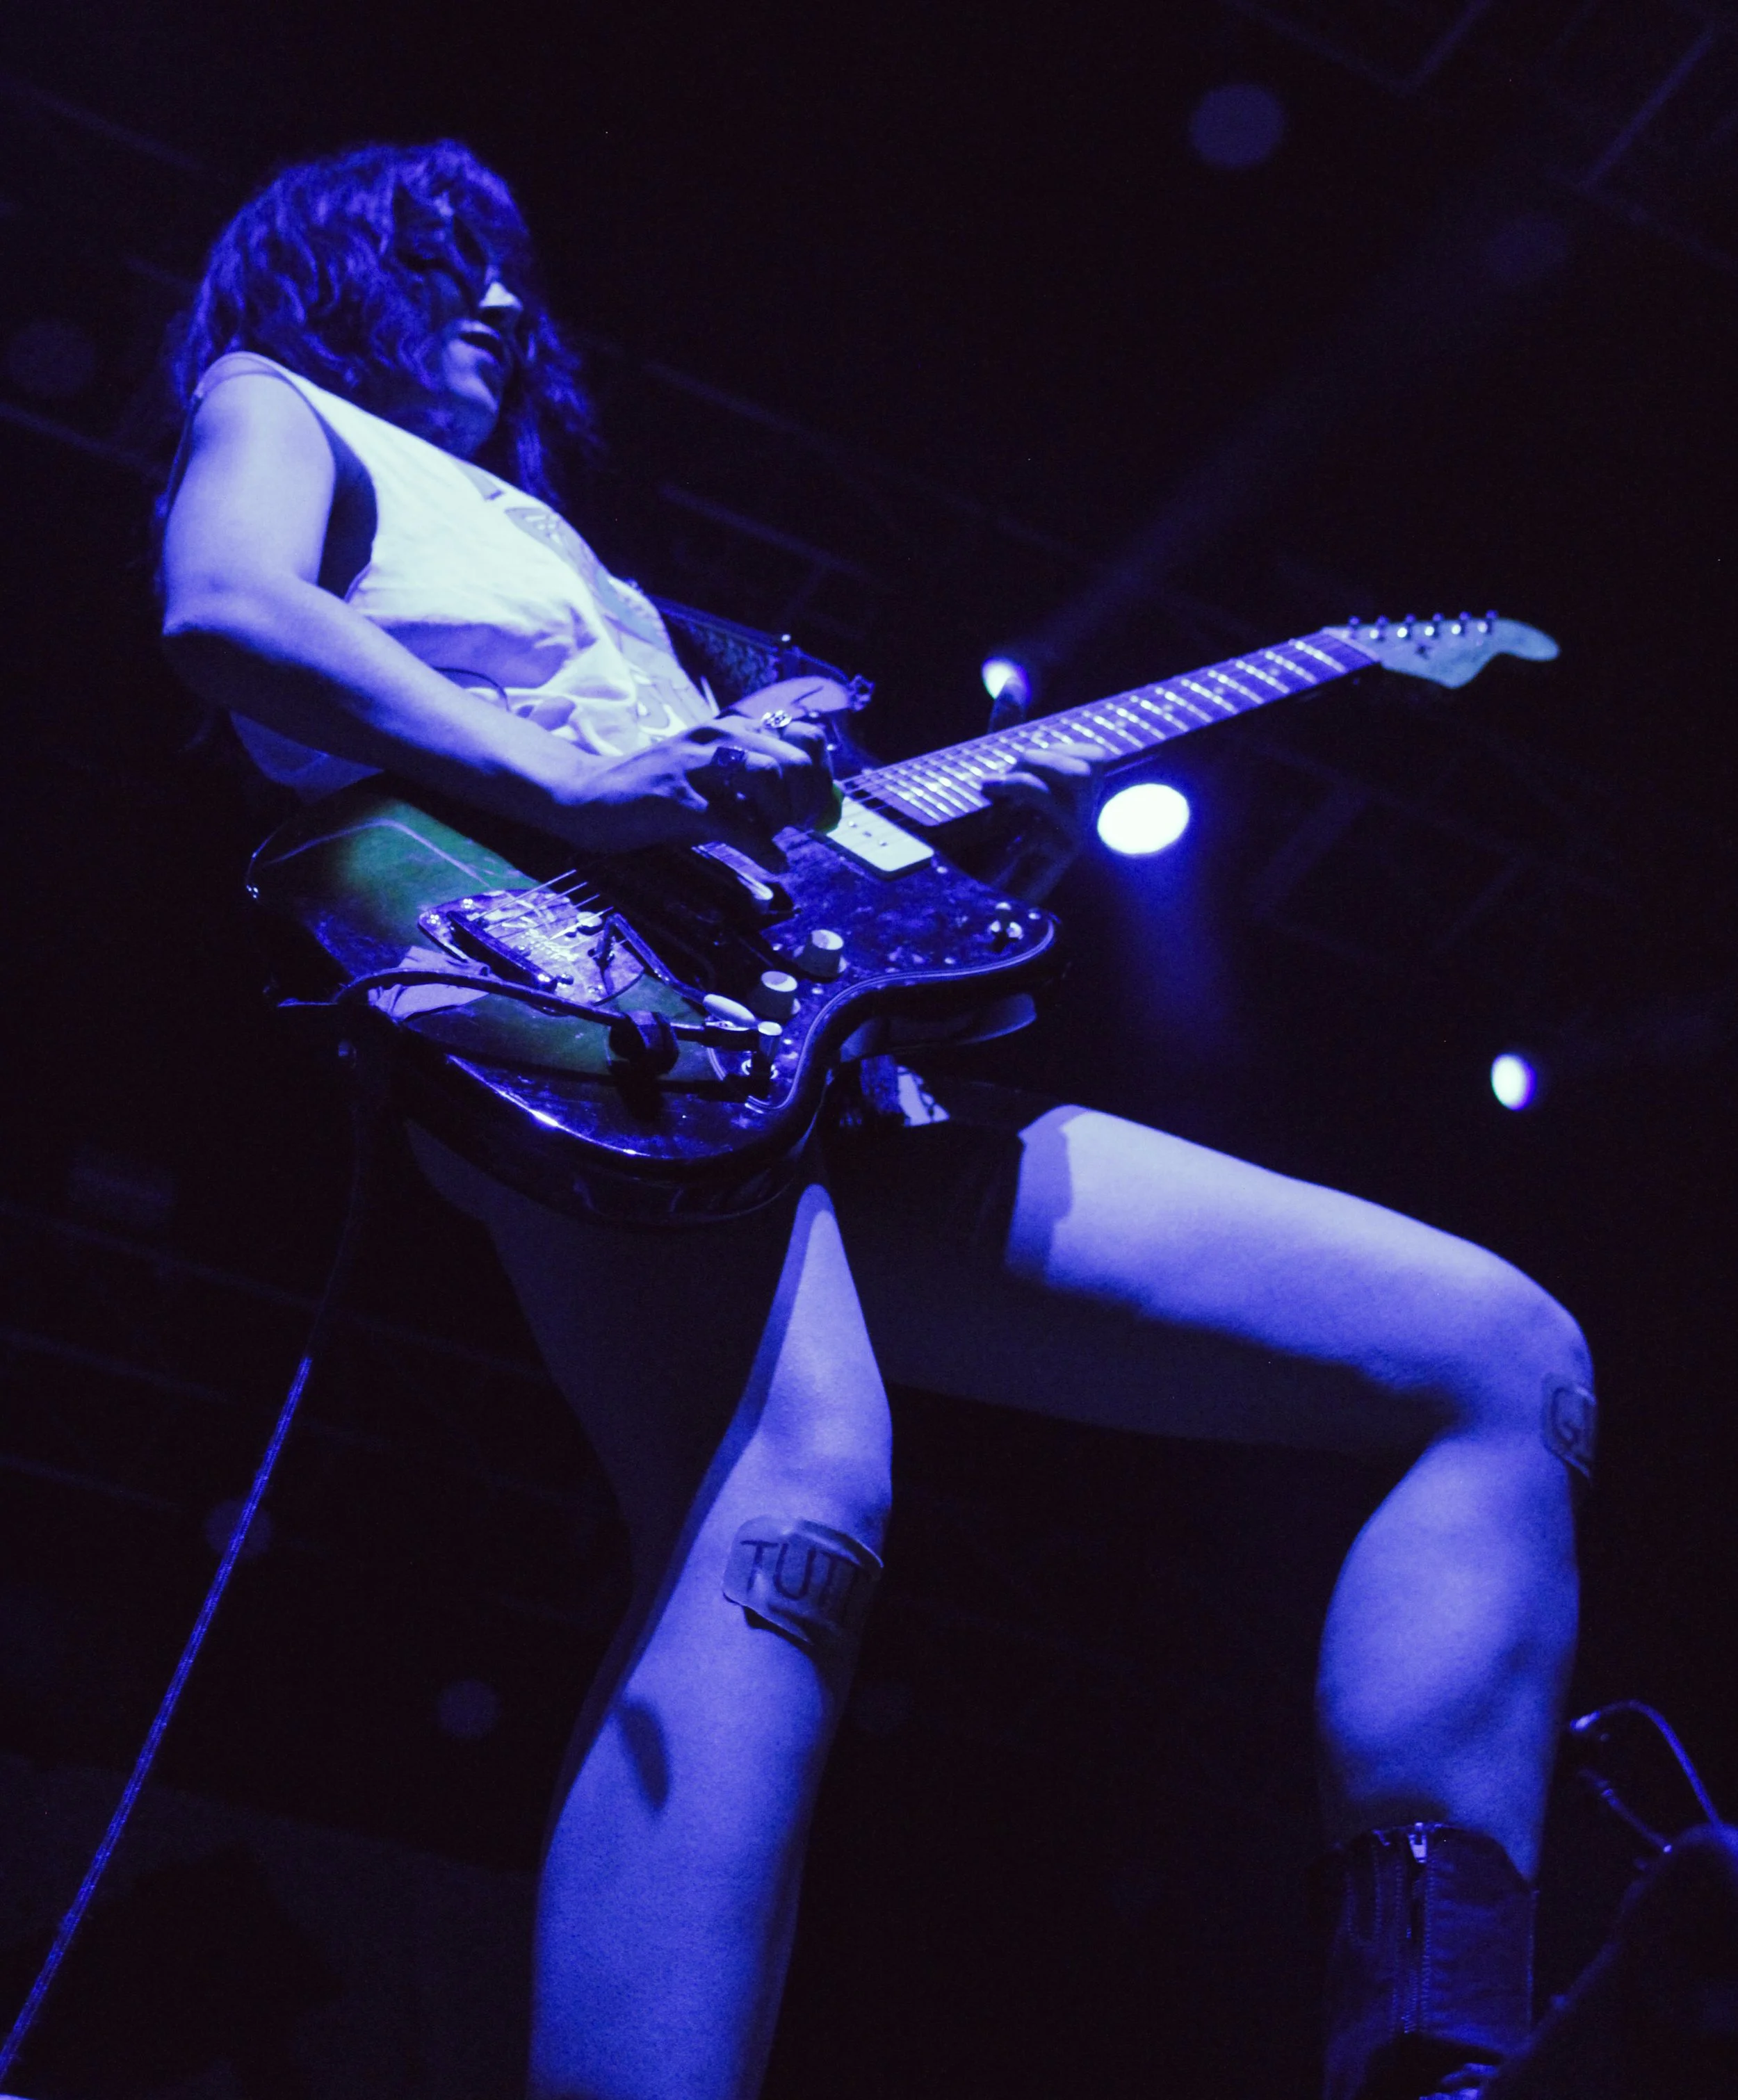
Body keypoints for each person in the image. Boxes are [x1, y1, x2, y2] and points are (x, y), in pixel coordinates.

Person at [157, 140, 1594, 2100]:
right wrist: (580, 799)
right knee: (784, 1504)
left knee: (1494, 1356)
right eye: (434, 258)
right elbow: (224, 611)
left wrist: (935, 871)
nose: (495, 295)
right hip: (567, 1011)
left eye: (509, 268)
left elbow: (744, 841)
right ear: (322, 281)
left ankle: (1438, 2047)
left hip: (799, 1046)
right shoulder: (280, 407)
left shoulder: (580, 568)